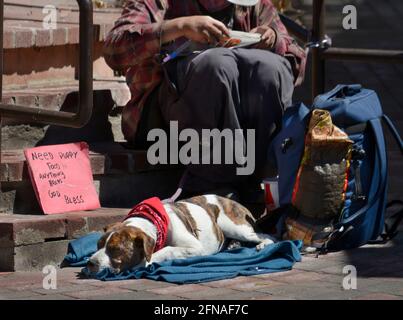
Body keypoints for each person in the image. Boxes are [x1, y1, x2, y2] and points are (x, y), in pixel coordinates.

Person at [104, 0, 307, 198]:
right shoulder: (159, 3)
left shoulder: (255, 6)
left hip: (239, 120)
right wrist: (180, 27)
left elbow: (297, 60)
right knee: (216, 63)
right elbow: (114, 49)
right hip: (163, 121)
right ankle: (214, 185)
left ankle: (261, 180)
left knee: (270, 67)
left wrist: (273, 39)